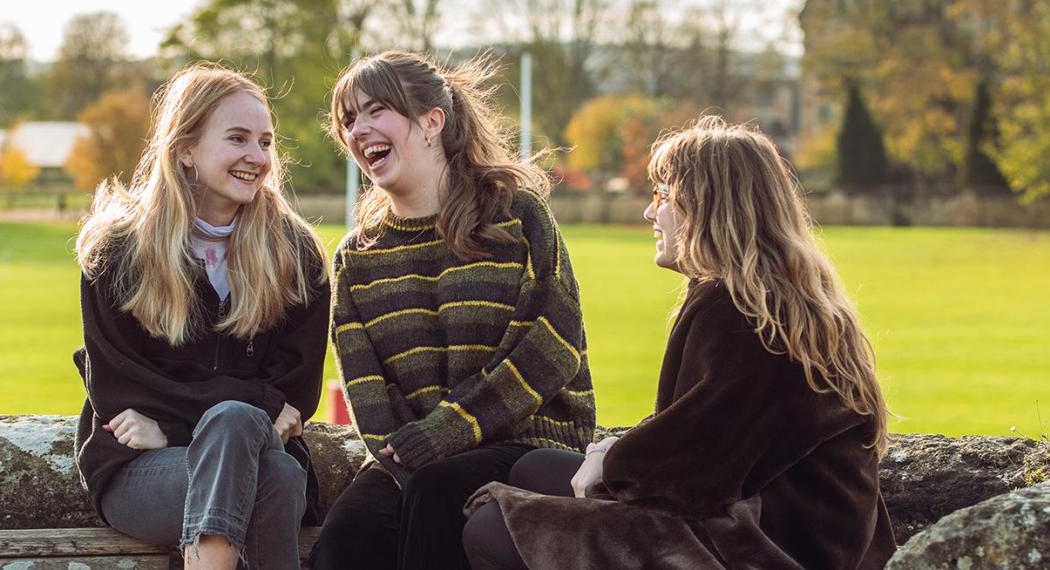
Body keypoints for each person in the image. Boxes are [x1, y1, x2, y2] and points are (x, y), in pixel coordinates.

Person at [462, 116, 898, 570]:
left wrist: (611, 463)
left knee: (492, 527)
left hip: (763, 547)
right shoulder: (775, 296)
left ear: (707, 207)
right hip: (772, 524)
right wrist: (610, 457)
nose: (650, 213)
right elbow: (704, 431)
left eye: (663, 196)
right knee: (533, 469)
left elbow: (696, 465)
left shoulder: (741, 310)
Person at [309, 51, 595, 570]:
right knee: (345, 539)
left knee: (438, 497)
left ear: (431, 122)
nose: (359, 129)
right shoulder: (357, 259)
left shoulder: (516, 217)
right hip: (417, 460)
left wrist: (444, 432)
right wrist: (401, 451)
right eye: (348, 120)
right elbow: (367, 389)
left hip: (528, 444)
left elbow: (552, 349)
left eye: (376, 110)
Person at [72, 63, 330, 569]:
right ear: (185, 149)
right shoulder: (118, 249)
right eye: (238, 139)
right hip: (143, 471)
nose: (256, 157)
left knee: (269, 467)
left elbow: (296, 394)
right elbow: (119, 388)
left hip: (248, 461)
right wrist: (246, 403)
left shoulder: (295, 254)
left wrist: (172, 424)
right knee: (245, 431)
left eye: (265, 142)